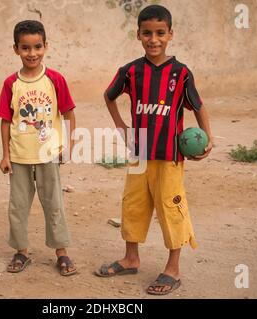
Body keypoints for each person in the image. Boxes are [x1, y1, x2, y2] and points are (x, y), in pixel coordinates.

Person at [95, 5, 213, 295]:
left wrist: (208, 139)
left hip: (170, 156)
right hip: (139, 154)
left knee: (170, 209)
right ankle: (131, 257)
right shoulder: (131, 71)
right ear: (138, 35)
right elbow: (109, 96)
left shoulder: (181, 73)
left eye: (160, 33)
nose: (153, 39)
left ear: (170, 34)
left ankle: (173, 268)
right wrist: (122, 126)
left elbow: (198, 106)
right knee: (133, 205)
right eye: (147, 33)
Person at [0, 20, 77, 276]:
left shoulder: (54, 79)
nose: (32, 53)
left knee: (53, 203)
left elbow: (68, 114)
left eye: (37, 47)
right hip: (19, 156)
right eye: (25, 48)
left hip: (48, 154)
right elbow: (6, 120)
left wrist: (68, 145)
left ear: (45, 46)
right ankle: (21, 251)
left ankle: (61, 253)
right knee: (18, 206)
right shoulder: (11, 83)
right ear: (16, 49)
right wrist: (6, 155)